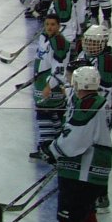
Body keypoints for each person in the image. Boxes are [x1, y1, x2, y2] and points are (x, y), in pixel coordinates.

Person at [39, 65, 112, 222]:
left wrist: (53, 150)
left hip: (83, 171)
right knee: (86, 216)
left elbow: (75, 140)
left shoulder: (89, 105)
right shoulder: (96, 100)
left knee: (70, 221)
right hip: (94, 171)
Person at [29, 14, 69, 151]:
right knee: (53, 115)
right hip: (42, 81)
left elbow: (60, 67)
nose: (49, 27)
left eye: (53, 24)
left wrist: (49, 85)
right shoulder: (46, 38)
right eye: (47, 24)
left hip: (50, 84)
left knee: (44, 113)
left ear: (59, 26)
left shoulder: (59, 42)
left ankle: (46, 147)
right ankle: (56, 144)